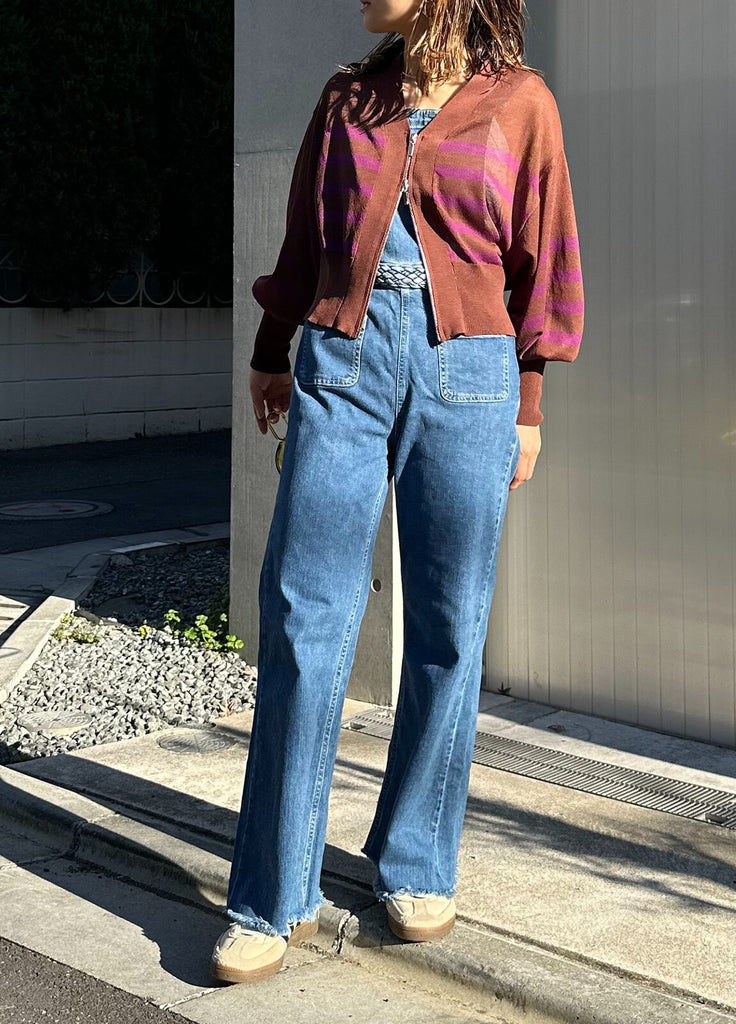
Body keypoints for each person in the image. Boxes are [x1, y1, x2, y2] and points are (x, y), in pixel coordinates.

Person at [210, 0, 583, 984]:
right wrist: (271, 349)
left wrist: (529, 402)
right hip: (342, 361)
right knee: (303, 614)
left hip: (472, 375)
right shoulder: (348, 98)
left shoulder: (521, 103)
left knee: (451, 623)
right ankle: (271, 893)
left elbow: (545, 256)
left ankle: (414, 860)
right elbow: (304, 237)